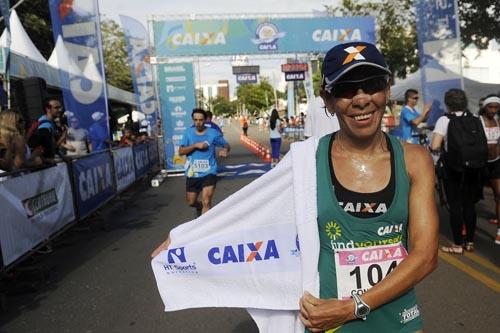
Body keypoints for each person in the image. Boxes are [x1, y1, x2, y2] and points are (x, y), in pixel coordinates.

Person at [151, 42, 438, 332]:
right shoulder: (305, 160)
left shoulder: (415, 161)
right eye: (346, 89)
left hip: (398, 322)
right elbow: (250, 211)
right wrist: (188, 240)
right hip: (327, 323)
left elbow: (425, 256)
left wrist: (352, 307)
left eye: (372, 85)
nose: (361, 99)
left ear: (387, 89)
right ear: (327, 99)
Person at [431, 89, 483, 254]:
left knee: (455, 206)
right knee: (469, 205)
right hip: (473, 169)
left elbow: (435, 146)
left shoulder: (444, 120)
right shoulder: (475, 118)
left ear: (447, 103)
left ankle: (457, 245)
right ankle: (470, 242)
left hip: (452, 169)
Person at [179, 108, 230, 216]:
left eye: (201, 120)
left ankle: (204, 228)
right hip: (193, 173)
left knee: (206, 201)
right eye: (195, 120)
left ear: (205, 120)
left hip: (209, 171)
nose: (198, 122)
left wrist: (225, 150)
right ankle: (199, 206)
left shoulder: (213, 133)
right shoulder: (188, 133)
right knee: (191, 202)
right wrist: (195, 145)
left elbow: (226, 145)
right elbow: (181, 151)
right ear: (193, 120)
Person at [478, 95, 500, 244]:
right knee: (472, 197)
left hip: (496, 162)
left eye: (496, 107)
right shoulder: (477, 120)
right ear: (484, 107)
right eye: (490, 107)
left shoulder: (498, 120)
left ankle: (499, 231)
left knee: (499, 195)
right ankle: (466, 225)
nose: (493, 110)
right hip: (480, 163)